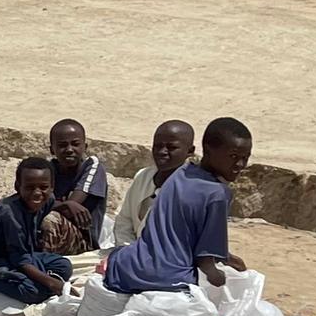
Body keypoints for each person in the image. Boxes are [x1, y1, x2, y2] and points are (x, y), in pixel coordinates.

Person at [103, 118, 254, 293]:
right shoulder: (218, 194)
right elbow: (205, 262)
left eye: (245, 158)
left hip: (125, 266)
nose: (240, 165)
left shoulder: (180, 174)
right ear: (208, 150)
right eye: (234, 157)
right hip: (169, 279)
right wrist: (221, 279)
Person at [0, 158, 69, 307]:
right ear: (18, 186)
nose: (37, 193)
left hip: (19, 253)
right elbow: (21, 261)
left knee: (64, 266)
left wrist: (68, 204)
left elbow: (23, 255)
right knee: (34, 292)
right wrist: (51, 283)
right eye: (30, 187)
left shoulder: (47, 201)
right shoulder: (9, 215)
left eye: (43, 187)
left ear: (52, 187)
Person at [109, 120, 196, 249]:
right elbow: (124, 220)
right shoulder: (143, 176)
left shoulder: (192, 189)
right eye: (157, 146)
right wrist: (126, 250)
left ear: (190, 151)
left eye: (171, 148)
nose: (162, 152)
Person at [40, 118, 110, 253]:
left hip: (82, 241)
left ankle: (42, 267)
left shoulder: (92, 167)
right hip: (53, 233)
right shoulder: (49, 170)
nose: (69, 150)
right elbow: (36, 204)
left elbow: (71, 205)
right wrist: (65, 205)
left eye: (75, 144)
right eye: (62, 145)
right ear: (52, 150)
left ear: (85, 147)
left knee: (50, 219)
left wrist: (62, 205)